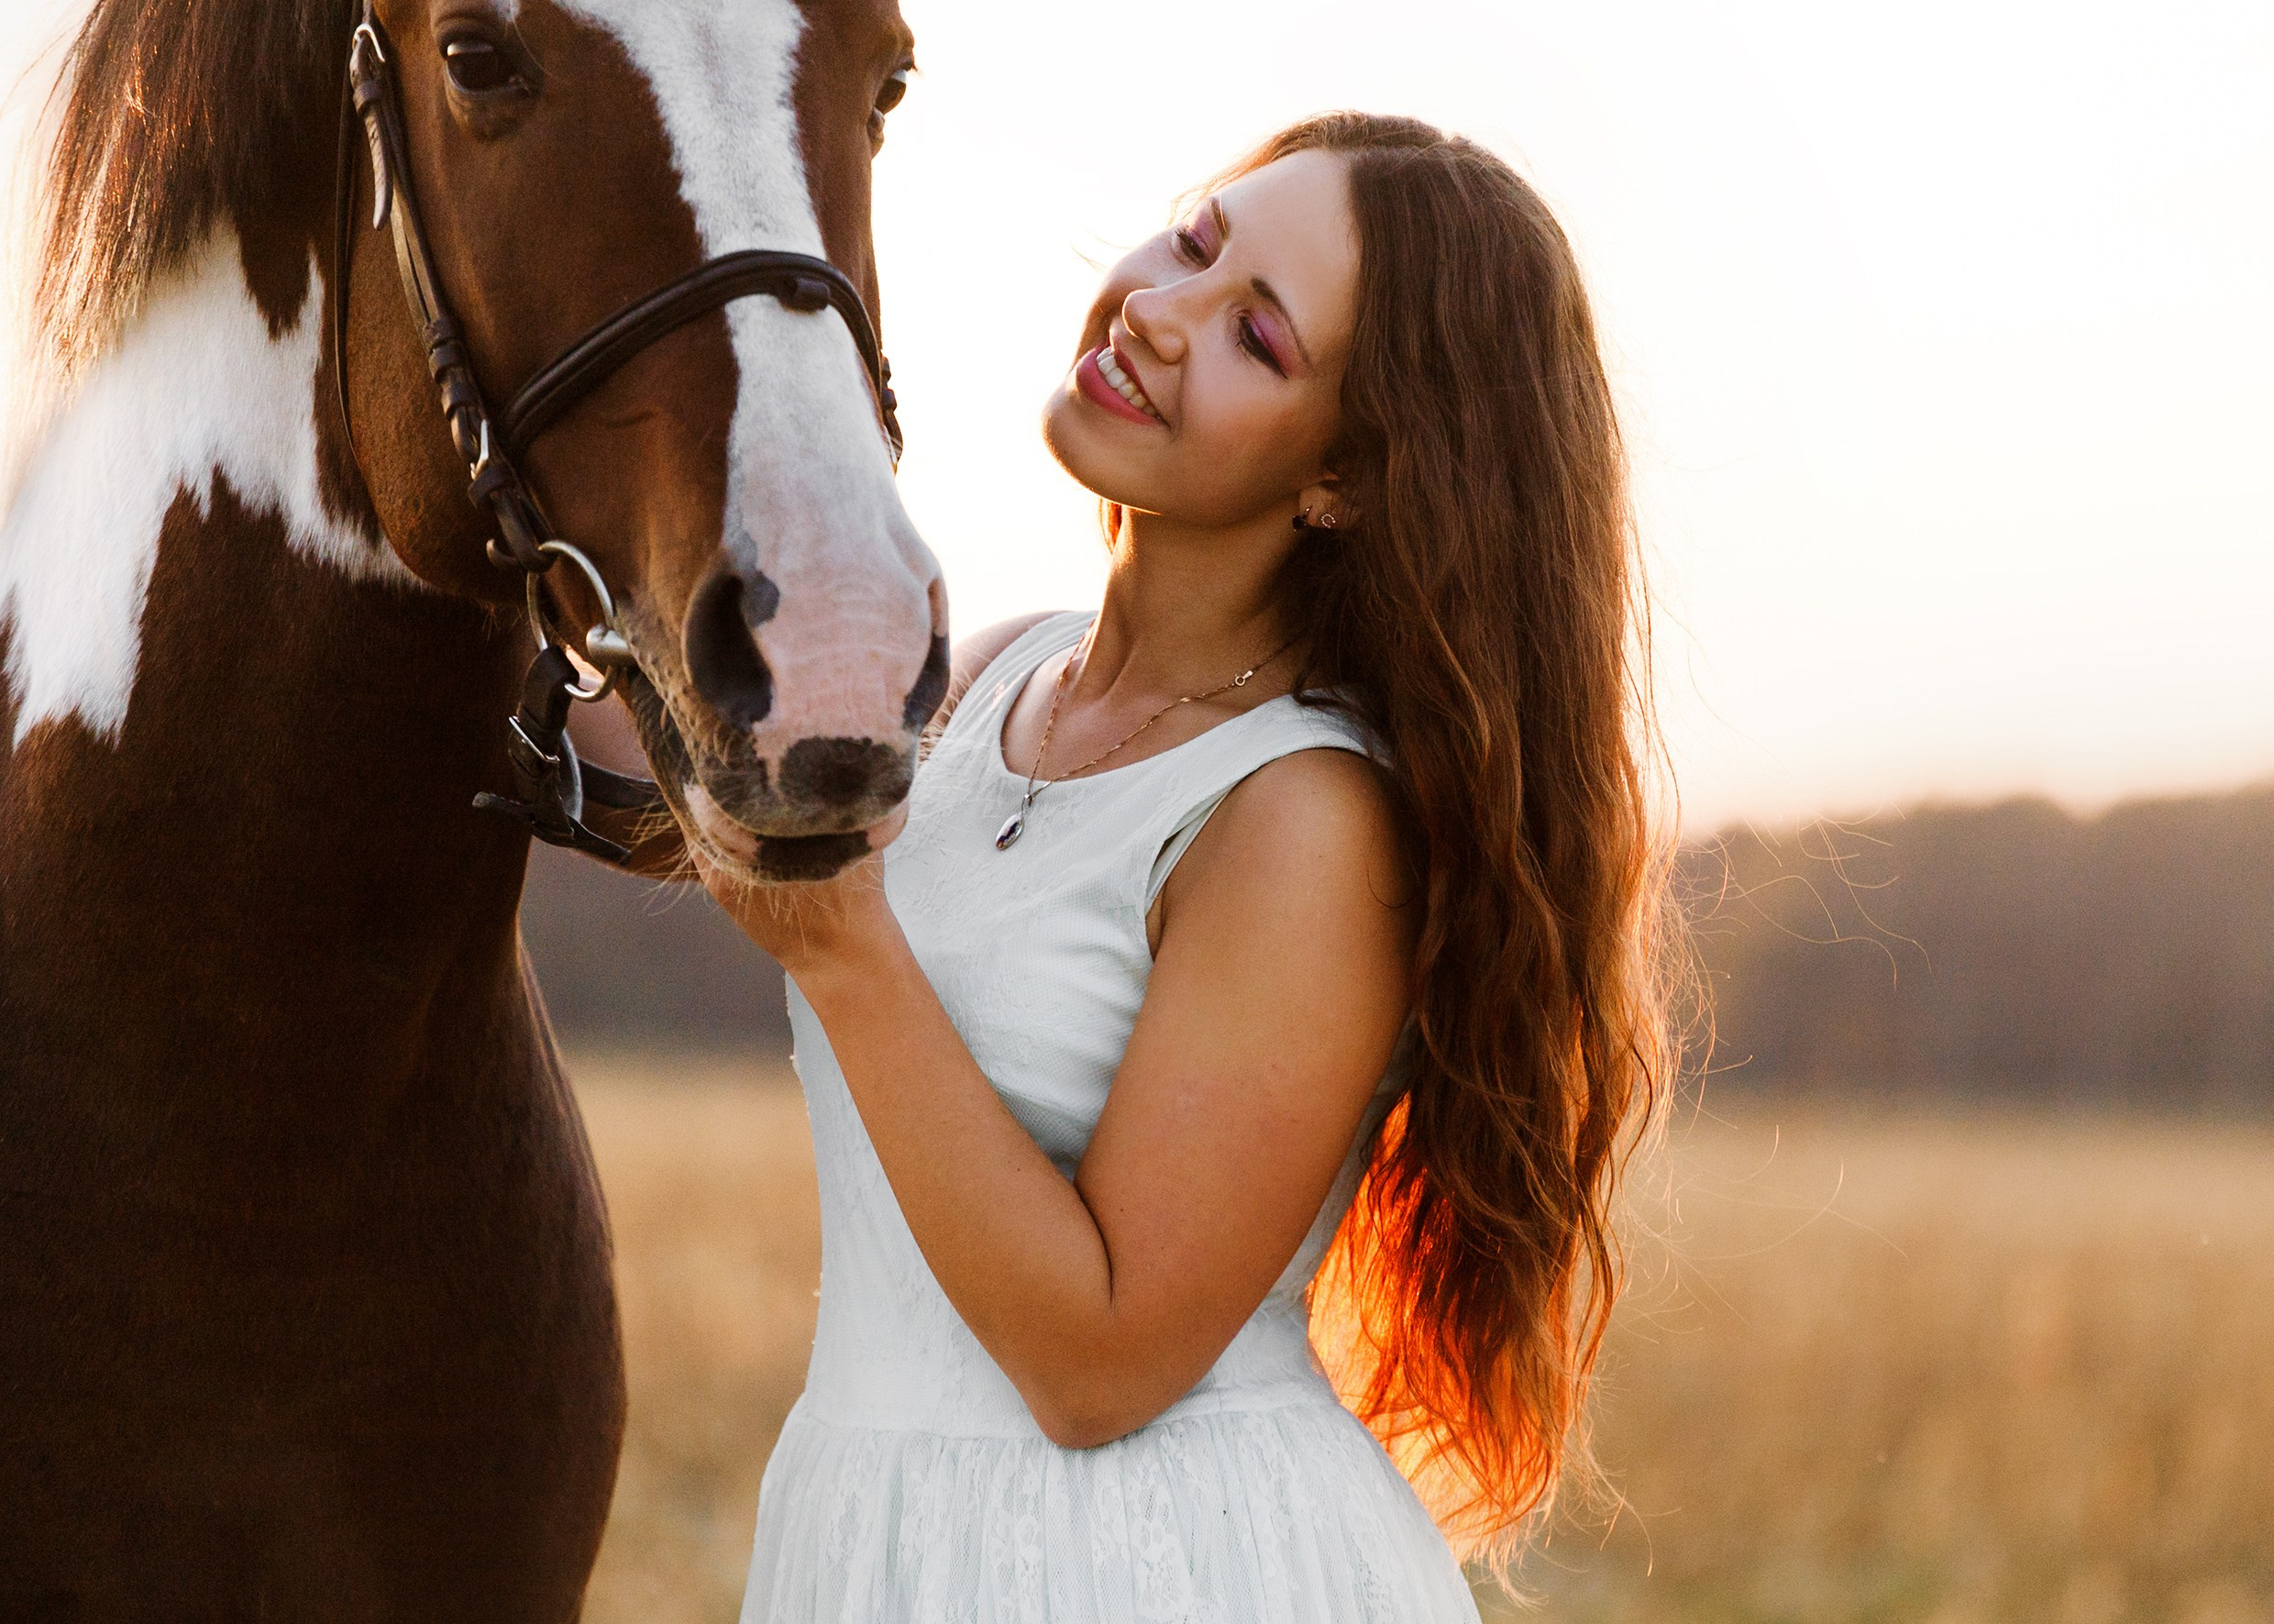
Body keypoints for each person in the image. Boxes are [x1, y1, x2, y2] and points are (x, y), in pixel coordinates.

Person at [698, 112, 1671, 1622]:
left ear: (1346, 475)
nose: (1155, 311)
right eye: (1197, 241)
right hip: (866, 1535)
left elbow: (1102, 1363)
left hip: (1155, 1571)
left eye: (1255, 335)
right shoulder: (992, 678)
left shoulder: (1303, 819)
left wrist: (841, 950)